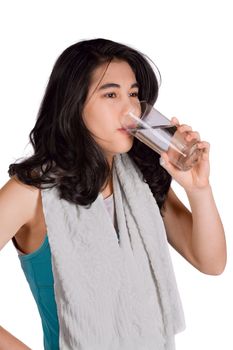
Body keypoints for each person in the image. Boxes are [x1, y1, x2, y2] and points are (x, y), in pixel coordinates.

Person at [0, 38, 226, 350]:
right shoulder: (32, 191)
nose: (130, 109)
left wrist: (198, 189)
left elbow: (211, 262)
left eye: (134, 94)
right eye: (111, 94)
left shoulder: (141, 180)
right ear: (74, 104)